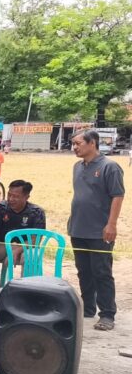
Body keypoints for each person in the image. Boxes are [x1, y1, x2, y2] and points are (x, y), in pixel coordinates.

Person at [69, 130, 125, 331]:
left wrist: (111, 224)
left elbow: (117, 196)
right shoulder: (77, 167)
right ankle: (88, 308)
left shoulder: (110, 167)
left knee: (101, 271)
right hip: (78, 228)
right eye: (73, 144)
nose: (74, 147)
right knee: (83, 271)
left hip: (100, 231)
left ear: (92, 143)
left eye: (78, 143)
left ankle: (107, 314)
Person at [0, 179, 46, 284]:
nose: (10, 199)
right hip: (1, 245)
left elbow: (35, 240)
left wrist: (17, 250)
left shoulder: (37, 212)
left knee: (32, 257)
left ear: (26, 197)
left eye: (16, 196)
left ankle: (27, 289)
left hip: (24, 247)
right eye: (9, 195)